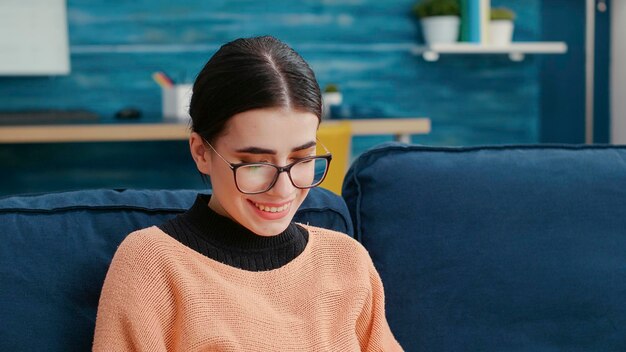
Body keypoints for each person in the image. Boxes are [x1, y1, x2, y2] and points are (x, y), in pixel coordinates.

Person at [93, 36, 402, 351]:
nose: (284, 189)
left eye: (301, 159)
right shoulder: (150, 264)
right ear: (201, 152)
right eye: (255, 164)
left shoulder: (347, 261)